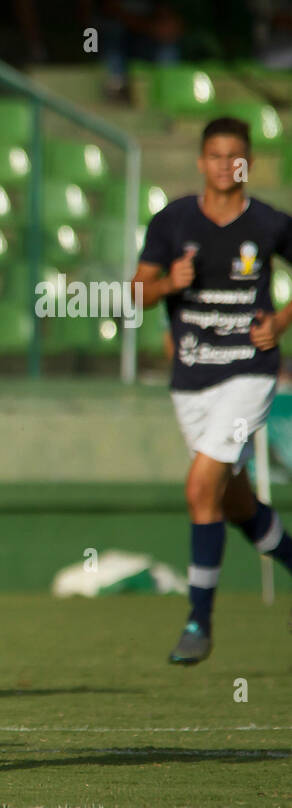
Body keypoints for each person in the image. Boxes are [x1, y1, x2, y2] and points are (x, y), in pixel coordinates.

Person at [133, 116, 292, 664]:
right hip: (192, 383)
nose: (227, 165)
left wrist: (284, 318)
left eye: (236, 156)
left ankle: (198, 620)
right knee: (233, 498)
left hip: (249, 371)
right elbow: (135, 293)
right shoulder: (172, 221)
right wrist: (165, 284)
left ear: (247, 162)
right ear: (201, 162)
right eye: (217, 155)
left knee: (201, 488)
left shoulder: (269, 224)